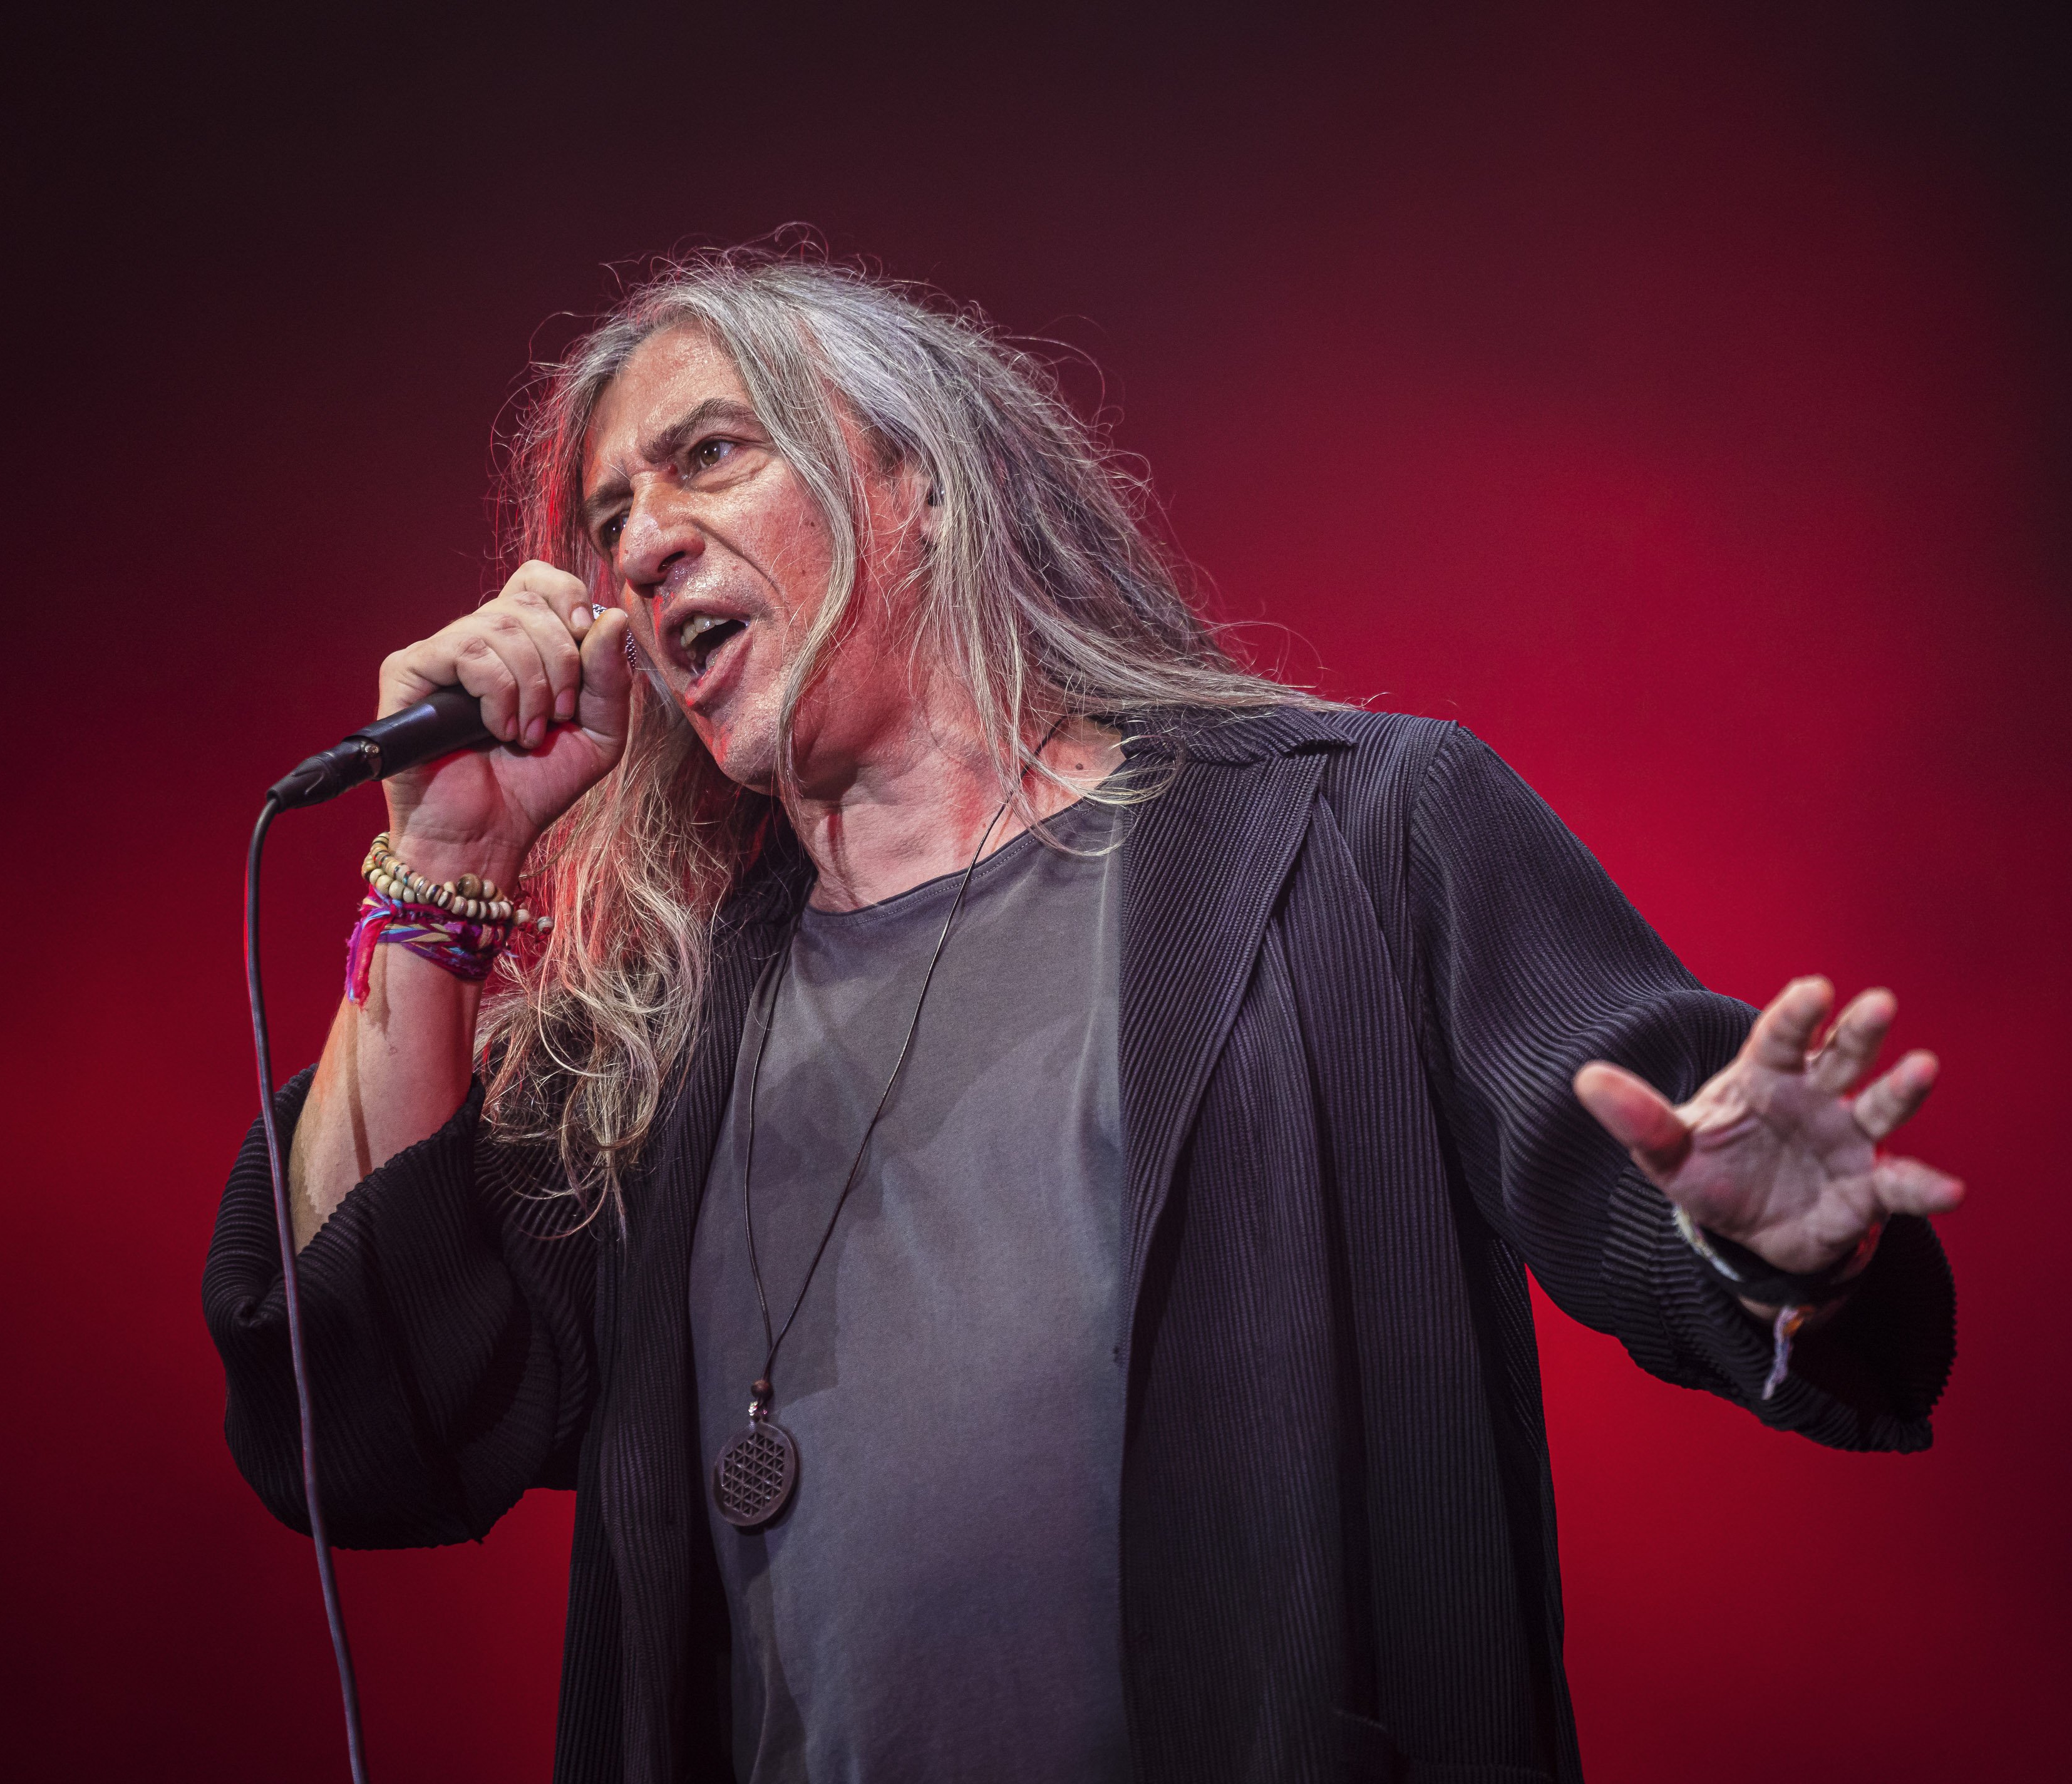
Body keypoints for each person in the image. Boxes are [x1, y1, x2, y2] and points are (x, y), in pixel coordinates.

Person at [205, 252, 1964, 1784]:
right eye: (606, 520)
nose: (643, 540)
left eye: (710, 455)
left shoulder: (1353, 836)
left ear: (927, 487)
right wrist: (434, 875)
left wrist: (1786, 1250)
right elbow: (354, 1414)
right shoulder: (660, 1036)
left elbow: (1677, 1182)